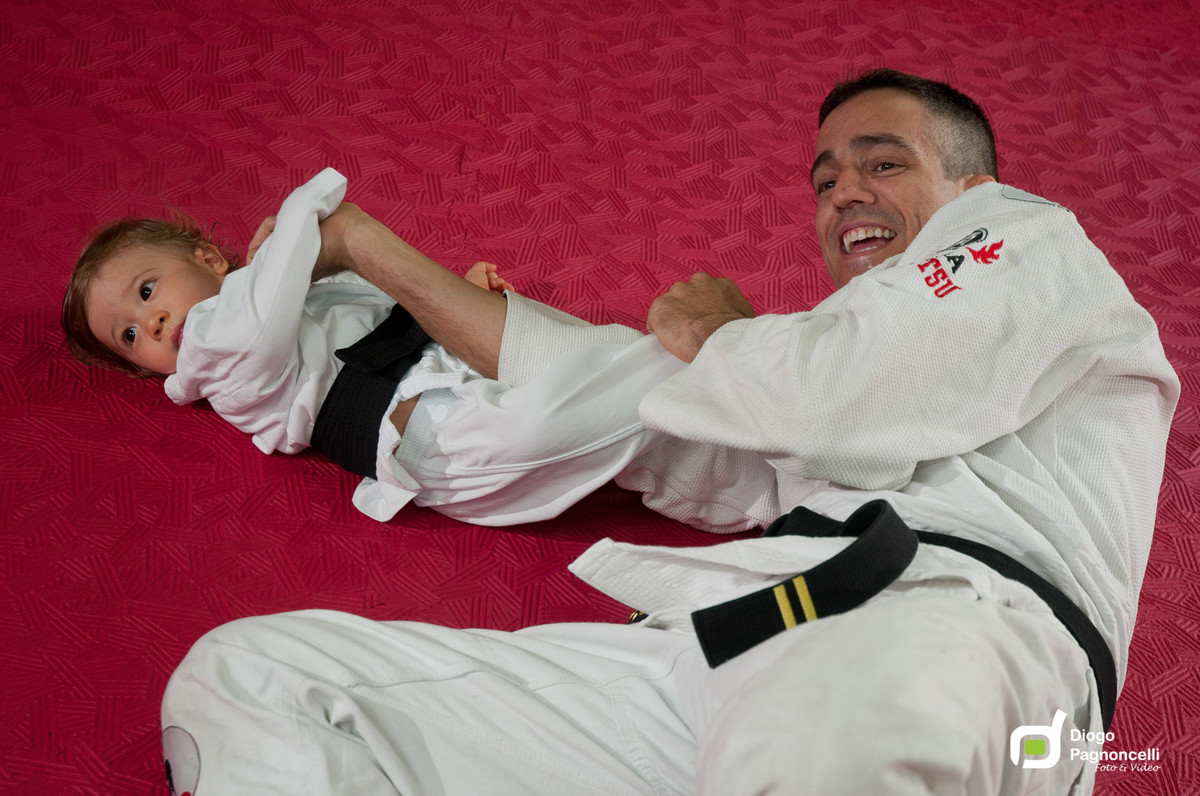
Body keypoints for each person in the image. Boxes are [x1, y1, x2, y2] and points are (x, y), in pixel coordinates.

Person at [158, 69, 1179, 795]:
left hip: (955, 639)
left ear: (966, 184)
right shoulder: (804, 350)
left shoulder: (1028, 238)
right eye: (825, 182)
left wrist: (723, 334)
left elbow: (816, 396)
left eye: (883, 164)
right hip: (731, 649)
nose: (844, 196)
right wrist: (373, 252)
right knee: (255, 680)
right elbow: (619, 398)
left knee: (809, 740)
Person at [60, 168, 722, 527]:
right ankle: (732, 360)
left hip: (454, 369)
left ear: (206, 256)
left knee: (625, 408)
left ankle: (757, 487)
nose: (149, 325)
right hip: (430, 432)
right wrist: (305, 224)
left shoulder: (290, 286)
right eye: (127, 336)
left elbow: (390, 301)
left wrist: (452, 297)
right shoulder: (213, 350)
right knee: (593, 399)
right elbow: (255, 330)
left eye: (147, 292)